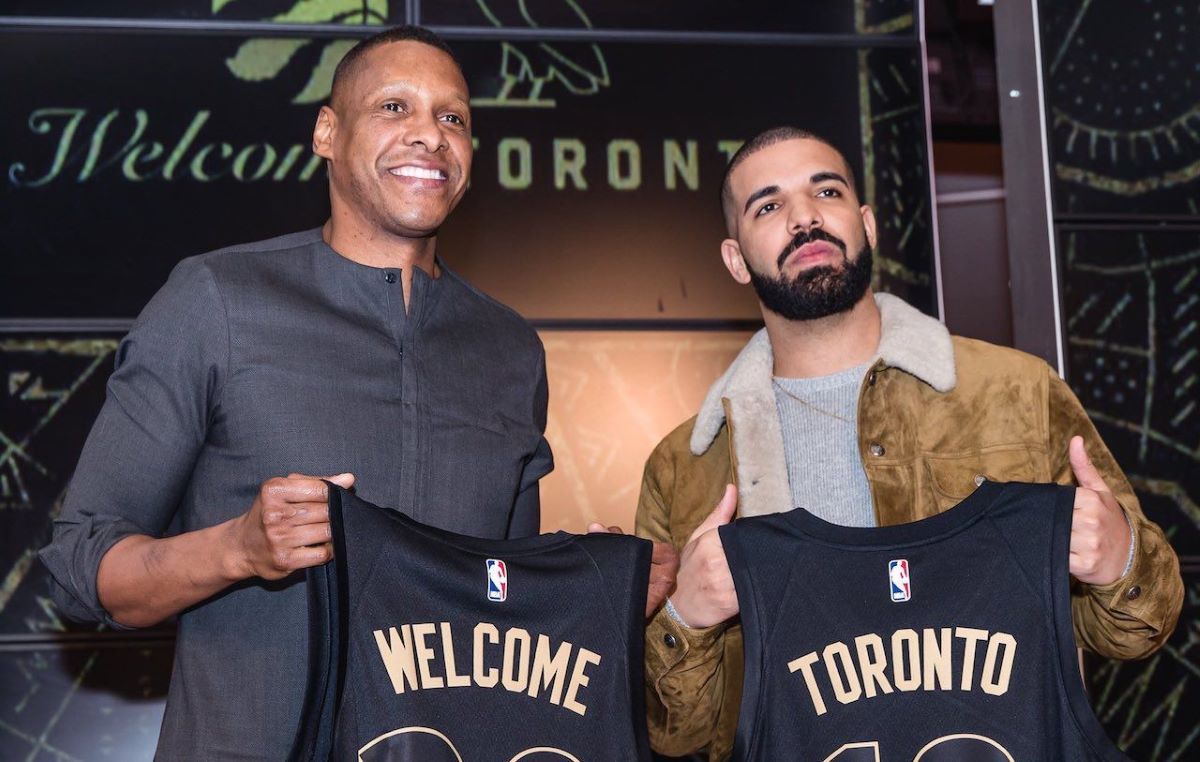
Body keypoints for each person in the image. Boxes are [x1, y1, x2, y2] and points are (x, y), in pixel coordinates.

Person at [40, 26, 556, 761]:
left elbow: (506, 607)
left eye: (453, 118)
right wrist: (239, 548)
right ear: (326, 132)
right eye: (392, 107)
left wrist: (590, 582)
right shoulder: (217, 299)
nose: (429, 136)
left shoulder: (509, 348)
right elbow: (79, 569)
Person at [634, 127, 1184, 760]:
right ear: (735, 259)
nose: (805, 217)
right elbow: (673, 736)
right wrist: (687, 620)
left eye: (826, 191)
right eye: (769, 205)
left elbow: (1141, 630)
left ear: (865, 222)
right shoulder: (685, 469)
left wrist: (1117, 563)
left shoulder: (1015, 392)